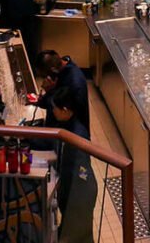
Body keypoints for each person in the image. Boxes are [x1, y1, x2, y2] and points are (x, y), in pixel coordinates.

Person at [51, 86, 97, 243]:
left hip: (80, 195)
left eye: (55, 108)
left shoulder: (77, 135)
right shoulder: (71, 126)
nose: (53, 111)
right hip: (77, 193)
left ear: (64, 110)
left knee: (77, 236)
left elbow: (79, 171)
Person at [39, 50, 90, 130]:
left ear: (53, 70)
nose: (46, 79)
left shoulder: (73, 83)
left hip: (68, 132)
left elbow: (59, 111)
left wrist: (49, 91)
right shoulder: (61, 66)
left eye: (45, 75)